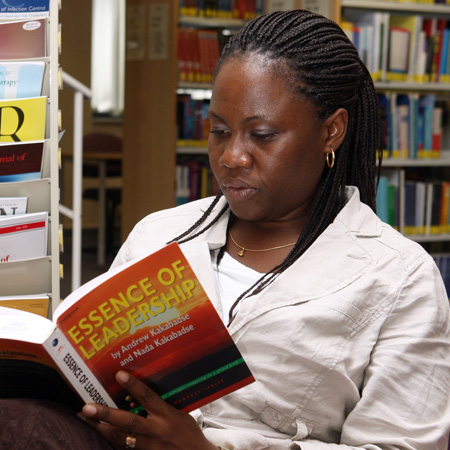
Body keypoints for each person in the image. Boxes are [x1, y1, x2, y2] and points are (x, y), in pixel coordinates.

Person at [1, 9, 449, 450]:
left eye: (263, 134)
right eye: (219, 130)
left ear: (331, 131)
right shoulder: (159, 233)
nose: (231, 156)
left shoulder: (400, 279)